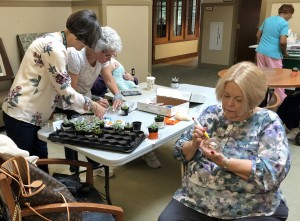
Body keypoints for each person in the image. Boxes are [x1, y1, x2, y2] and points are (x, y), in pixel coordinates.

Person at [159, 61, 291, 221]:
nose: (229, 104)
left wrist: (225, 162)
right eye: (226, 95)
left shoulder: (268, 122)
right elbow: (180, 153)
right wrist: (194, 144)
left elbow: (271, 172)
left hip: (251, 207)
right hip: (196, 200)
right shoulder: (211, 114)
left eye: (238, 99)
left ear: (253, 100)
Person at [2, 10, 105, 173]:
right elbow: (66, 92)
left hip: (33, 115)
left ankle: (45, 197)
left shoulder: (54, 40)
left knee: (41, 162)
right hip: (22, 115)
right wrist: (93, 105)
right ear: (78, 35)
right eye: (85, 42)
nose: (84, 47)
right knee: (25, 170)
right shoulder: (54, 48)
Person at [55, 26, 123, 177]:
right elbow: (71, 92)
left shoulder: (102, 59)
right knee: (72, 136)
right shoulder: (75, 55)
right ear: (99, 50)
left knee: (89, 131)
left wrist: (117, 95)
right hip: (68, 99)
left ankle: (94, 165)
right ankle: (74, 170)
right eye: (108, 56)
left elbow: (108, 79)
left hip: (85, 97)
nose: (110, 60)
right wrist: (93, 102)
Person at [256, 4, 294, 103]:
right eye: (291, 15)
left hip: (260, 51)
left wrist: (264, 45)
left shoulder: (268, 19)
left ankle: (260, 99)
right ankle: (282, 101)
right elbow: (282, 41)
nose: (291, 17)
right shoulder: (284, 23)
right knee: (278, 79)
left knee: (262, 77)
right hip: (273, 54)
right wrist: (285, 52)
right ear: (288, 13)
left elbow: (258, 34)